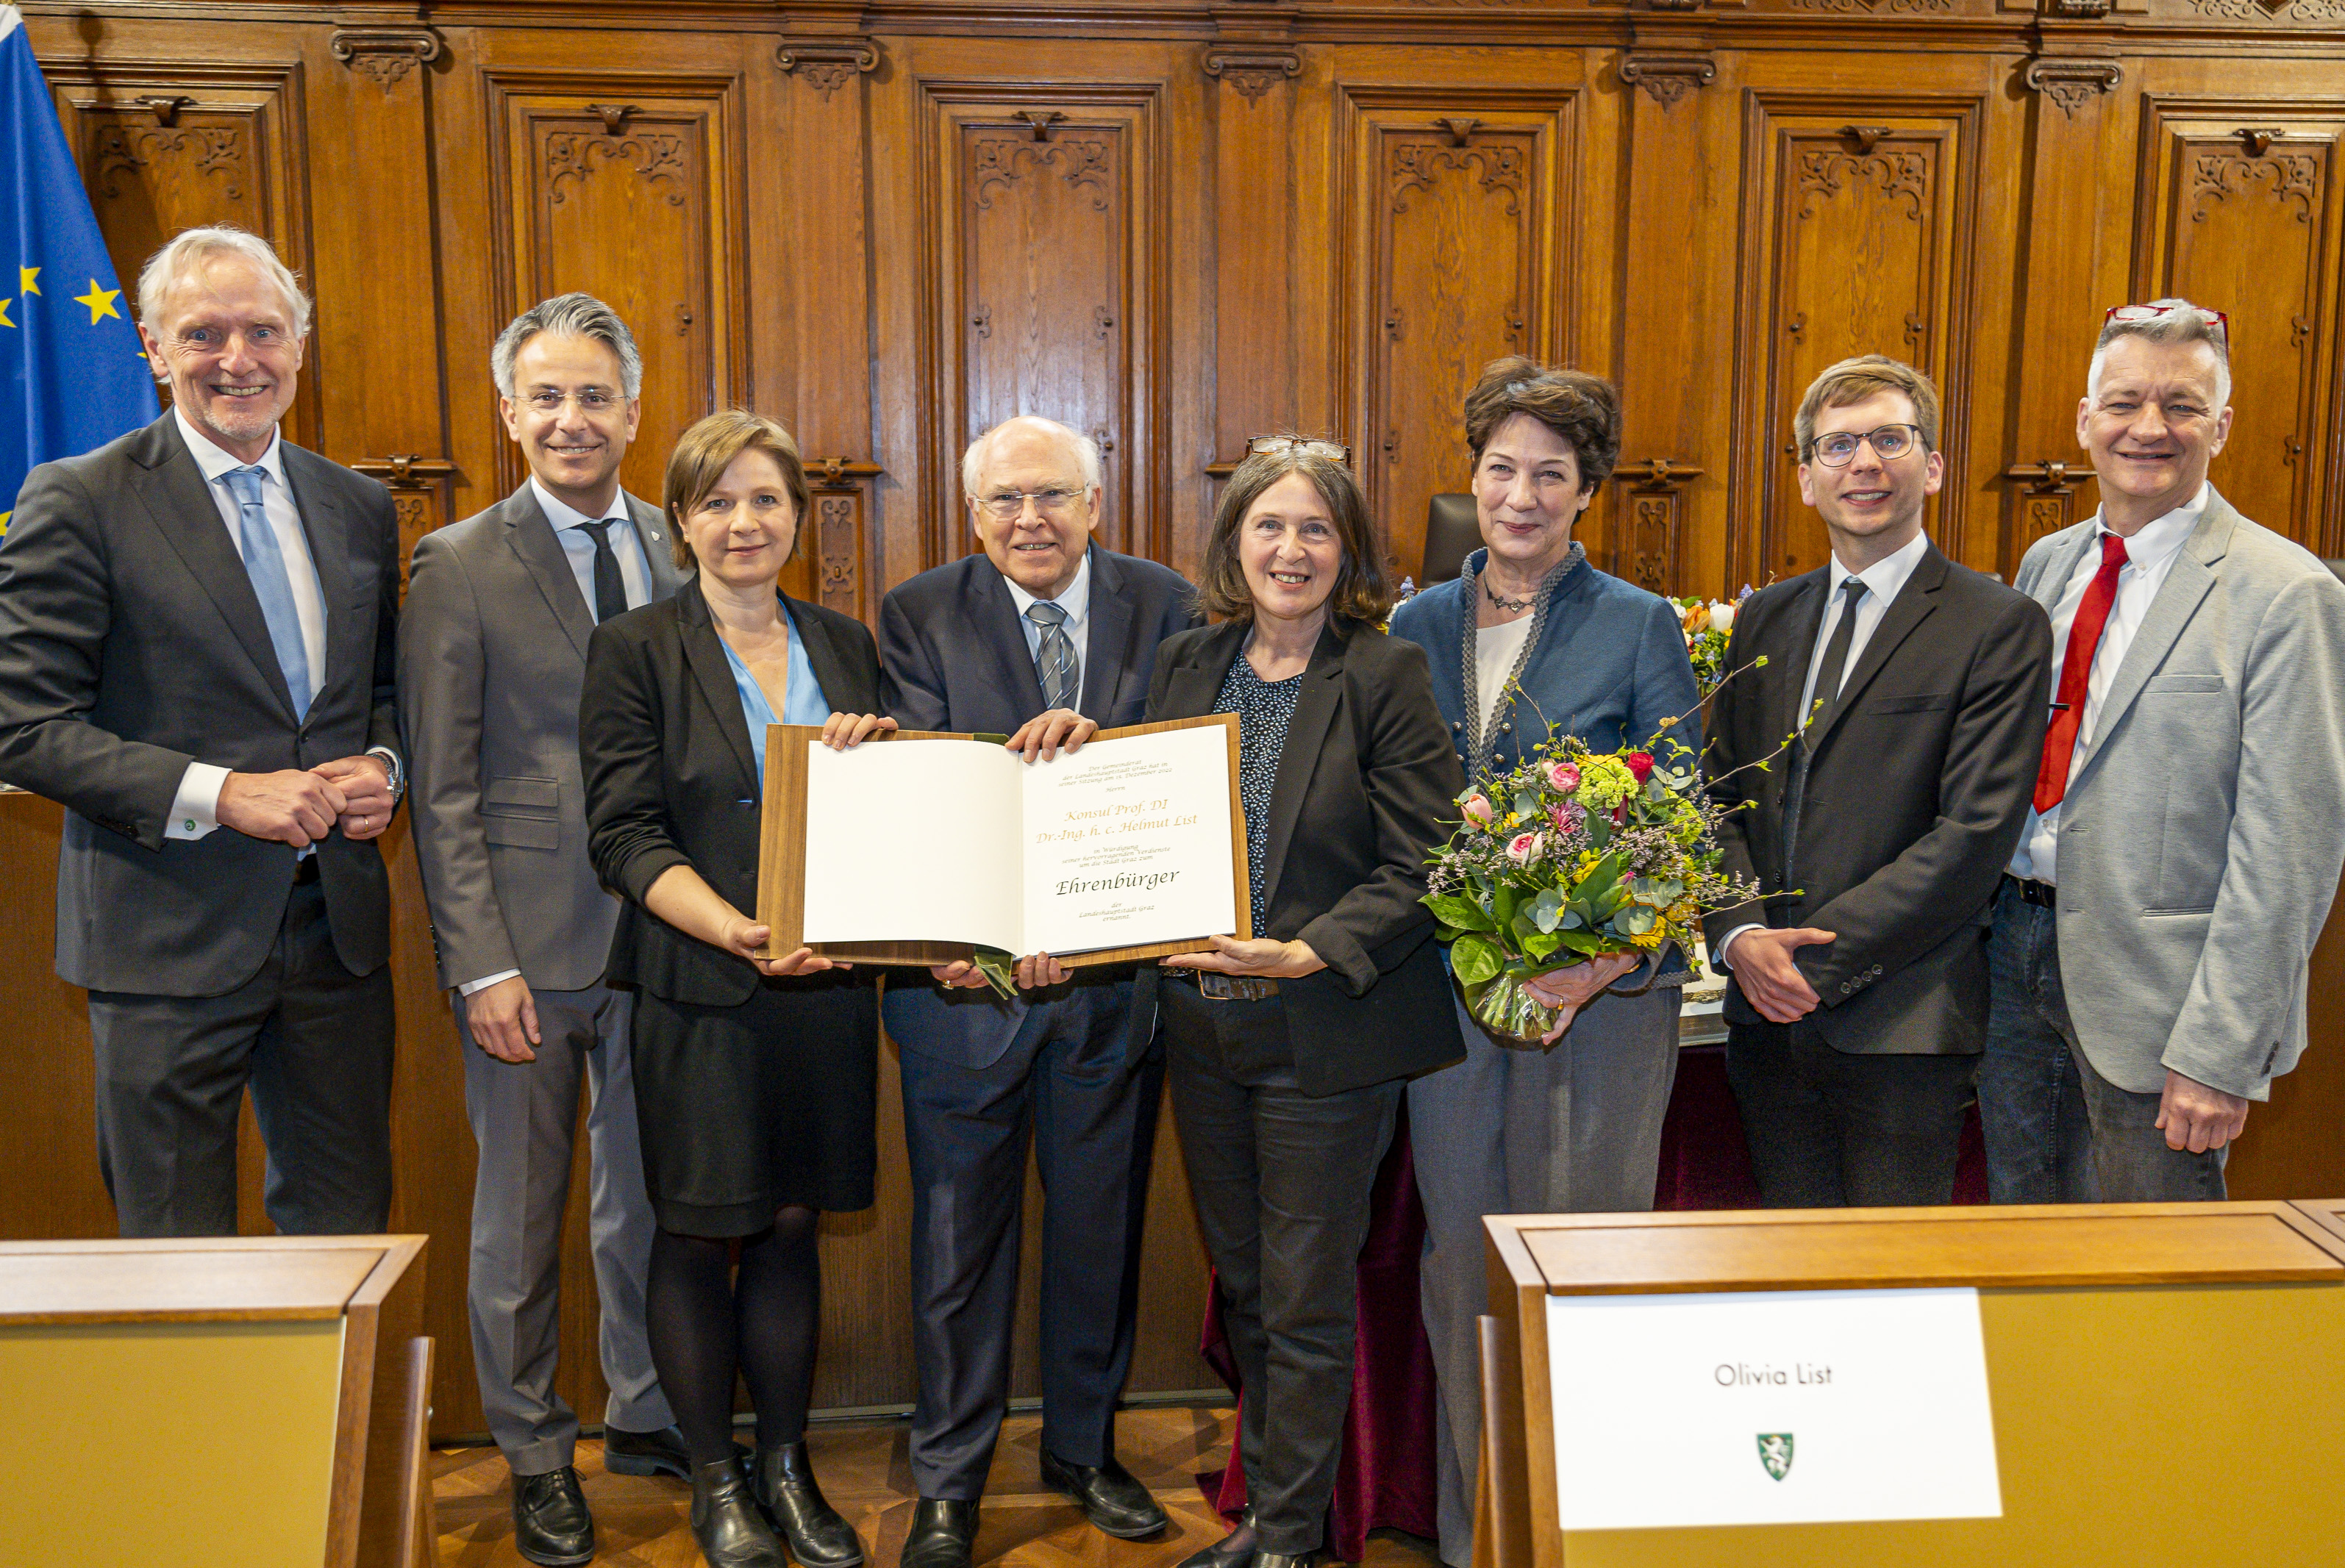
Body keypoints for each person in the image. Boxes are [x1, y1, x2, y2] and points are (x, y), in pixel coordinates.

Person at [0, 224, 401, 1236]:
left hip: (334, 942)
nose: (237, 359)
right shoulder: (80, 499)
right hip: (163, 940)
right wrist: (222, 791)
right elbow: (22, 722)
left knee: (346, 1243)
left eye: (263, 331)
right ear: (153, 346)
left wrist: (386, 763)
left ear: (299, 346)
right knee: (177, 1258)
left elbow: (387, 692)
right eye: (203, 333)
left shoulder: (356, 506)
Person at [1386, 359, 1699, 1568]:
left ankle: (1581, 1534)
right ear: (1470, 477)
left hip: (1600, 1005)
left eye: (1549, 474)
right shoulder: (1412, 624)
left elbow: (1678, 818)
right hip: (1449, 999)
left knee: (1579, 1262)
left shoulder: (1634, 622)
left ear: (1585, 492)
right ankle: (1480, 1534)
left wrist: (1599, 964)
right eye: (1500, 468)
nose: (1519, 495)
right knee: (1457, 1260)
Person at [401, 295, 694, 1565]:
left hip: (663, 939)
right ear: (509, 413)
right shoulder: (457, 561)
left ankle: (642, 1406)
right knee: (519, 1222)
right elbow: (443, 779)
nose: (572, 418)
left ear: (632, 411)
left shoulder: (681, 544)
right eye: (547, 397)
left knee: (645, 1202)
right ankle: (530, 1448)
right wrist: (480, 961)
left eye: (595, 396)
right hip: (524, 946)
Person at [874, 415, 1195, 1568]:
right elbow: (916, 789)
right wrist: (985, 940)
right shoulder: (919, 610)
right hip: (963, 997)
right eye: (1005, 501)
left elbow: (1183, 774)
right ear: (972, 517)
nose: (1030, 520)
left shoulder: (1171, 604)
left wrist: (1102, 748)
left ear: (1097, 503)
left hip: (1110, 993)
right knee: (957, 1245)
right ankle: (950, 1477)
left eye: (1053, 496)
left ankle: (1082, 1448)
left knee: (1098, 1235)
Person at [1142, 438, 1464, 1568]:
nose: (1291, 549)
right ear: (1236, 541)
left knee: (1304, 1297)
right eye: (1269, 526)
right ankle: (1277, 1519)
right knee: (1243, 1288)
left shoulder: (1383, 673)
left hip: (1322, 1032)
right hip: (1202, 1027)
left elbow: (1429, 855)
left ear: (1348, 551)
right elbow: (1136, 814)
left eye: (1315, 529)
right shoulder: (1187, 663)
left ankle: (1285, 1543)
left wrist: (1311, 950)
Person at [581, 410, 888, 1568]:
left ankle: (788, 1467)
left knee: (796, 1224)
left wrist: (882, 756)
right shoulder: (635, 648)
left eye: (764, 500)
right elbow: (624, 834)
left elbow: (883, 811)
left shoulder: (846, 643)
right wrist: (738, 935)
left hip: (826, 993)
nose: (743, 523)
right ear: (681, 523)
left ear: (798, 520)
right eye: (716, 502)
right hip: (700, 987)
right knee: (700, 1230)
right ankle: (715, 1477)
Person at [1983, 300, 2345, 1202]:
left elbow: (2289, 852)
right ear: (2084, 419)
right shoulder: (2048, 564)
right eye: (2125, 401)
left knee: (2154, 1286)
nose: (2150, 428)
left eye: (2181, 406)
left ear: (2221, 426)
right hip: (2015, 958)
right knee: (2022, 1250)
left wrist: (2223, 1051)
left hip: (2165, 1008)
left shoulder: (2285, 593)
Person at [1703, 354, 2052, 1209]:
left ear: (1931, 467)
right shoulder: (1765, 617)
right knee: (1790, 1289)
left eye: (1890, 440)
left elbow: (1974, 834)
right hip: (1763, 1020)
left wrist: (1814, 961)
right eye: (1838, 446)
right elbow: (1719, 797)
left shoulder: (1997, 623)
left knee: (1893, 1301)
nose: (1864, 463)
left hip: (1903, 1021)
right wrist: (1742, 936)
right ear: (1806, 479)